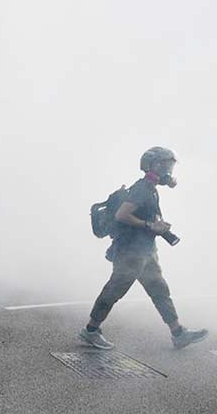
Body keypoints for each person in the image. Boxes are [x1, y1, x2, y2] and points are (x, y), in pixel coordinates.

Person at [80, 147, 208, 350]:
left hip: (144, 251)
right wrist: (149, 226)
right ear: (154, 166)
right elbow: (121, 215)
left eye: (170, 165)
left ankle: (178, 333)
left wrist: (158, 225)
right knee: (114, 290)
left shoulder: (151, 188)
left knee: (159, 290)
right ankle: (91, 331)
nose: (169, 170)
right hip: (130, 252)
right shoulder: (142, 188)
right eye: (166, 165)